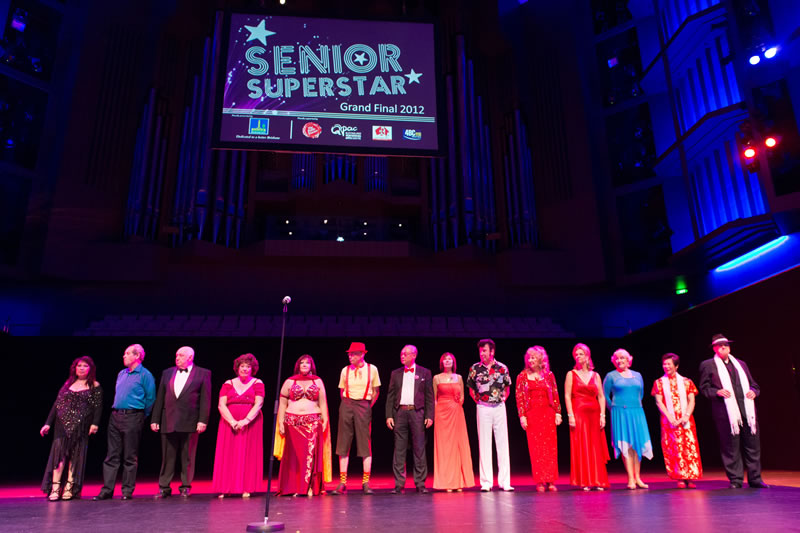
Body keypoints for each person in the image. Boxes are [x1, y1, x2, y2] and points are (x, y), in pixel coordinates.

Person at [699, 334, 768, 489]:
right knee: (730, 447)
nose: (724, 347)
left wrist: (753, 392)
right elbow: (704, 388)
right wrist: (717, 392)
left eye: (726, 345)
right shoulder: (708, 365)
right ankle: (736, 480)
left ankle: (755, 479)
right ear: (714, 348)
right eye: (720, 345)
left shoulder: (741, 364)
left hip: (747, 411)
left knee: (753, 446)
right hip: (726, 414)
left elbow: (754, 385)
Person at [94, 344, 156, 501]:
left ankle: (127, 490)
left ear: (137, 356)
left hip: (133, 417)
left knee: (130, 456)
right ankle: (107, 490)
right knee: (111, 455)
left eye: (127, 353)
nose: (124, 356)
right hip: (115, 416)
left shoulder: (145, 375)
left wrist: (141, 416)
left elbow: (150, 398)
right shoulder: (121, 373)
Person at [150, 346, 212, 498]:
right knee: (167, 456)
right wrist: (155, 419)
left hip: (190, 420)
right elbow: (160, 397)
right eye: (177, 355)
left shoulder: (203, 373)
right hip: (168, 419)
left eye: (181, 355)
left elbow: (206, 399)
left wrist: (202, 420)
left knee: (188, 456)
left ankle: (185, 486)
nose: (177, 358)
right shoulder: (167, 373)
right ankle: (164, 487)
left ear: (190, 357)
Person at [41, 356, 103, 501]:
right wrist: (48, 423)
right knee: (59, 456)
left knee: (75, 457)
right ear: (74, 368)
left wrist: (95, 423)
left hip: (81, 425)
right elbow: (57, 404)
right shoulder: (68, 384)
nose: (81, 368)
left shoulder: (95, 385)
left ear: (90, 369)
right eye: (79, 365)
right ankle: (55, 488)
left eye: (85, 366)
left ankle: (69, 487)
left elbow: (98, 407)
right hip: (61, 425)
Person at [275, 354, 332, 496]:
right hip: (292, 423)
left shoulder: (317, 381)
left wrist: (325, 420)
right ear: (298, 366)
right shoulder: (289, 381)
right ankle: (294, 487)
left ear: (311, 366)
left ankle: (308, 487)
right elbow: (282, 403)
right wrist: (280, 422)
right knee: (294, 458)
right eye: (302, 363)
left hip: (312, 422)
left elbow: (323, 402)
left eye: (307, 363)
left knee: (310, 456)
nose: (305, 365)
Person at [212, 353, 265, 498]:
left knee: (248, 454)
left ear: (252, 369)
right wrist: (232, 421)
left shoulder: (257, 383)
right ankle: (225, 488)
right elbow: (221, 404)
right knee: (228, 454)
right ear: (237, 368)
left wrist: (245, 421)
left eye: (248, 366)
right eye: (242, 366)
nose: (245, 369)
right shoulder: (228, 383)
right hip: (229, 422)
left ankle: (246, 487)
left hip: (251, 423)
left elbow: (259, 403)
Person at [331, 341, 381, 495]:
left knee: (365, 443)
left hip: (363, 405)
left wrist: (367, 406)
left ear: (361, 355)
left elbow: (376, 391)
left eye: (353, 354)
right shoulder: (345, 370)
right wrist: (348, 404)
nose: (350, 356)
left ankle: (365, 482)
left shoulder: (372, 369)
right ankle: (342, 482)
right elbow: (341, 391)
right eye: (349, 354)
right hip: (347, 404)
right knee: (343, 443)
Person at [466, 338, 514, 492]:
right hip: (483, 407)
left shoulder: (502, 368)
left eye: (485, 350)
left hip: (499, 407)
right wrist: (480, 402)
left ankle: (505, 481)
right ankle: (486, 482)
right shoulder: (475, 368)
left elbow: (507, 388)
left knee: (503, 443)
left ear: (492, 351)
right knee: (484, 444)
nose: (482, 353)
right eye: (480, 351)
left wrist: (502, 400)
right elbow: (471, 390)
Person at [386, 345, 434, 493]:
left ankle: (420, 483)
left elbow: (429, 396)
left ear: (413, 355)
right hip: (400, 412)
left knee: (419, 448)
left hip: (417, 412)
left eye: (405, 354)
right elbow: (390, 396)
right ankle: (399, 484)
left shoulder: (424, 372)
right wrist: (389, 415)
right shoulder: (395, 373)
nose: (402, 356)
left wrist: (429, 416)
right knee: (399, 449)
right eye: (401, 354)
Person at [603, 348, 653, 490]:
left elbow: (641, 394)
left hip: (637, 412)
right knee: (626, 445)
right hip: (620, 413)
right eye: (617, 358)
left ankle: (638, 477)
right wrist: (614, 409)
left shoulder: (638, 375)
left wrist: (635, 406)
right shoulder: (611, 376)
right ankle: (630, 478)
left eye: (622, 358)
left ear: (629, 360)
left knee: (637, 444)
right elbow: (605, 395)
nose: (620, 360)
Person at [652, 353, 702, 488]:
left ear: (676, 366)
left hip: (686, 419)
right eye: (664, 364)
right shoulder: (659, 382)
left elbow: (692, 400)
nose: (666, 366)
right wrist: (670, 417)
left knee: (689, 446)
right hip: (669, 420)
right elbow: (659, 402)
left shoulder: (687, 382)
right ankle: (679, 476)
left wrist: (686, 415)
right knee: (674, 447)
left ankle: (690, 477)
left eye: (669, 364)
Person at [515, 346, 562, 492]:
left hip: (547, 413)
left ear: (541, 359)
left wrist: (558, 413)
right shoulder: (522, 376)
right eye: (529, 358)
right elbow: (519, 397)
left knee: (550, 448)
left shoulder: (549, 375)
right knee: (536, 448)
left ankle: (551, 480)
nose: (530, 360)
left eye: (533, 357)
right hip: (532, 415)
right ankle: (540, 480)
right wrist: (522, 416)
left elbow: (555, 394)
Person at [564, 343, 609, 491]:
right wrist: (570, 415)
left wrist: (602, 415)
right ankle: (585, 480)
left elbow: (601, 396)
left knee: (595, 446)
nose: (578, 356)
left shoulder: (595, 375)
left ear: (587, 356)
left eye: (581, 354)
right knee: (582, 445)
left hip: (594, 414)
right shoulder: (571, 374)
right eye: (576, 354)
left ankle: (598, 480)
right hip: (579, 413)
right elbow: (567, 395)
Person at [432, 352, 474, 492]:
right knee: (444, 447)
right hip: (441, 413)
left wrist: (458, 402)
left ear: (453, 362)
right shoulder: (436, 378)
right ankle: (446, 483)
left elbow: (462, 396)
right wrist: (436, 413)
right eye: (445, 359)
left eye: (449, 359)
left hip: (456, 412)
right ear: (442, 363)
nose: (447, 361)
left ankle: (458, 482)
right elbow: (434, 398)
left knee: (457, 446)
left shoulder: (459, 377)